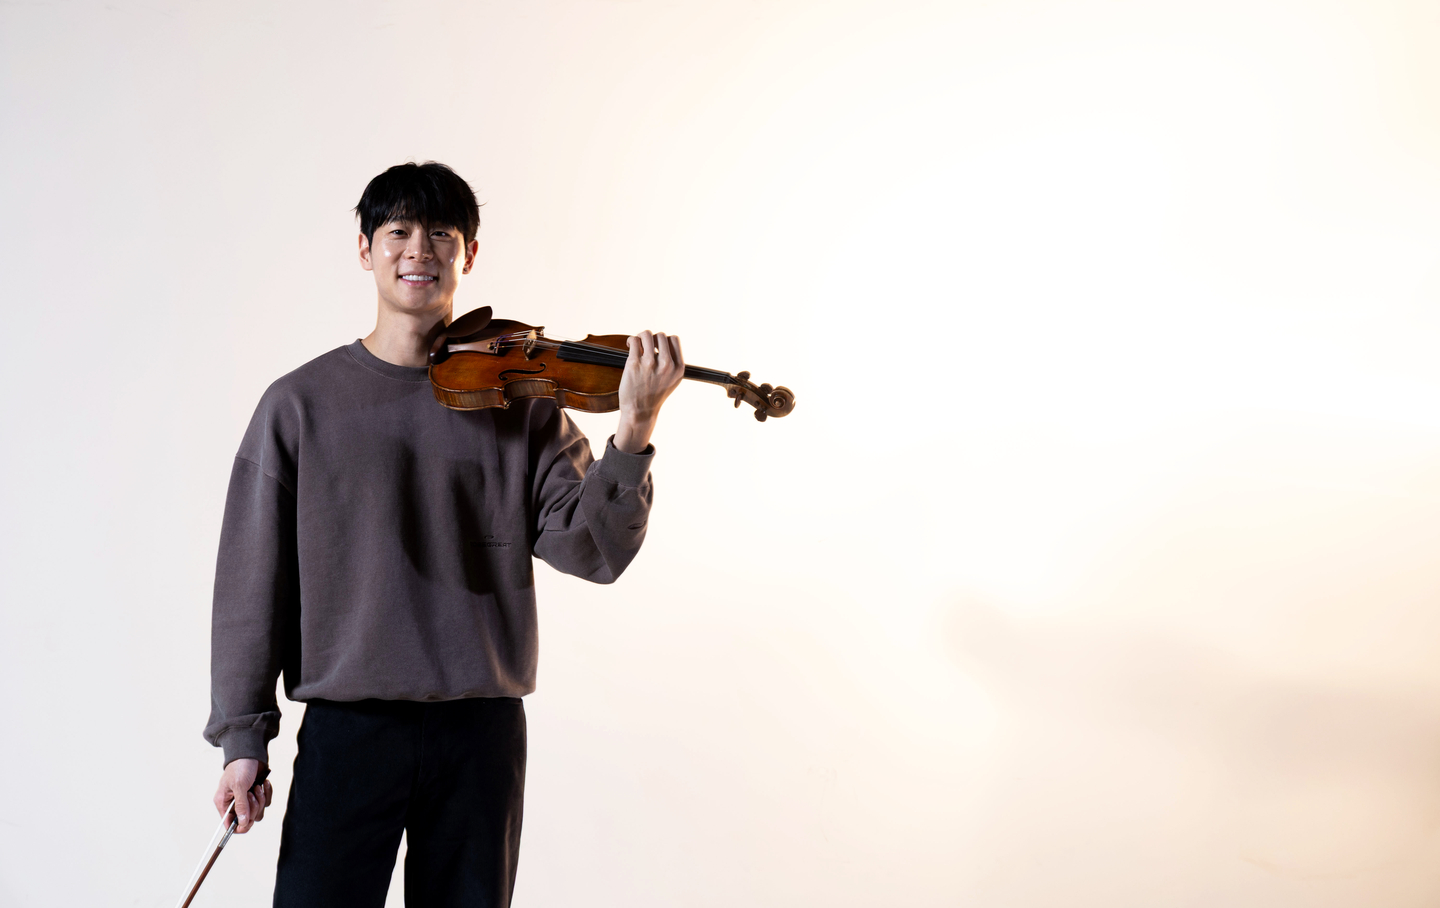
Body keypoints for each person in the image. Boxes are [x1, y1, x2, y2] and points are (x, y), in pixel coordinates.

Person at [202, 161, 684, 907]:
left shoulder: (522, 404)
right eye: (397, 231)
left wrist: (635, 426)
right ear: (364, 249)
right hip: (349, 728)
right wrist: (243, 741)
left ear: (470, 254)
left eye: (441, 235)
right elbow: (250, 582)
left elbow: (593, 551)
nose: (418, 250)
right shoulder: (298, 405)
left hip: (480, 732)